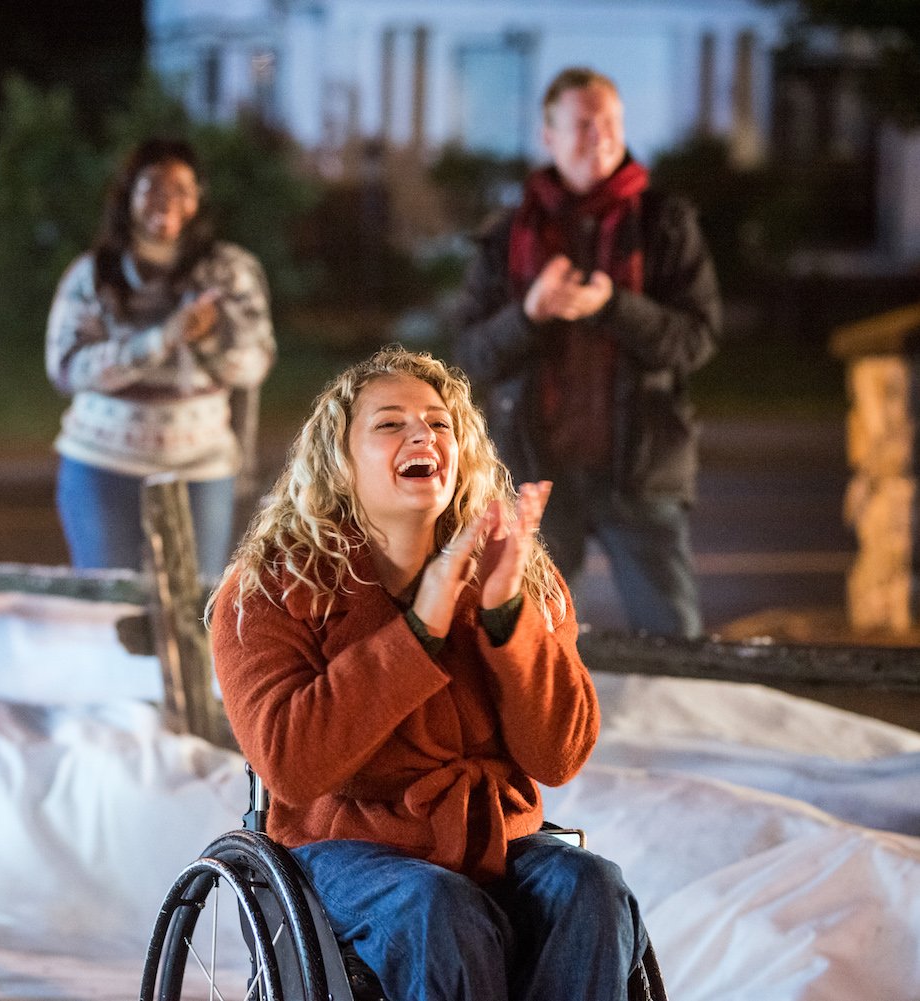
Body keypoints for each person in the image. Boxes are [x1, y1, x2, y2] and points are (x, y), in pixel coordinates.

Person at [210, 346, 646, 1000]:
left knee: (593, 887)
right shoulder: (271, 587)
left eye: (439, 424)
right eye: (390, 424)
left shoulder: (519, 574)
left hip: (487, 842)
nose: (422, 435)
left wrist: (504, 615)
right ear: (341, 461)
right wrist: (424, 621)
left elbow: (557, 755)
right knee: (435, 905)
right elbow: (290, 764)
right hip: (340, 850)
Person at [453, 66, 720, 639]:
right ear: (547, 135)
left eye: (610, 122)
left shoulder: (664, 223)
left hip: (639, 467)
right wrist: (530, 314)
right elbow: (470, 356)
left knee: (677, 642)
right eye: (581, 123)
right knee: (524, 643)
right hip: (533, 470)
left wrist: (614, 306)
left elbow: (695, 340)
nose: (599, 135)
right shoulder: (507, 234)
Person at [46, 138, 275, 577]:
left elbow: (255, 363)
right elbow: (66, 368)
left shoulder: (229, 271)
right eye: (151, 186)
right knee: (109, 609)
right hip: (101, 463)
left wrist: (208, 339)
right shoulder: (93, 273)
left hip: (200, 467)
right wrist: (158, 342)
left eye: (182, 189)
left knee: (194, 612)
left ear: (198, 201)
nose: (167, 200)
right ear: (128, 195)